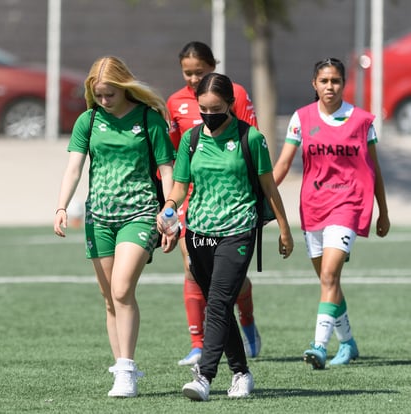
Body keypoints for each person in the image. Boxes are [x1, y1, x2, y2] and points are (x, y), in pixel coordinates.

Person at [158, 72, 294, 400]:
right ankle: (242, 373)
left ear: (231, 105)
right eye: (203, 108)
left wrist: (285, 228)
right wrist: (169, 209)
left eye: (215, 108)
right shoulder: (191, 140)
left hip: (238, 231)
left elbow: (268, 186)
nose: (208, 114)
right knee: (219, 306)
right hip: (198, 233)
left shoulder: (252, 139)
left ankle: (204, 376)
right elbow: (179, 186)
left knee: (218, 302)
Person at [53, 56, 176, 397]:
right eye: (99, 94)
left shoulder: (149, 119)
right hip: (99, 217)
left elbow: (167, 171)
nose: (104, 100)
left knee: (122, 290)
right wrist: (62, 205)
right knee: (110, 299)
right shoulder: (88, 121)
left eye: (109, 94)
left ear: (124, 87)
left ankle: (127, 369)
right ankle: (121, 368)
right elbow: (74, 168)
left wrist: (169, 214)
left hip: (139, 213)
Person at [273, 57, 390, 369]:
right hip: (313, 206)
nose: (330, 86)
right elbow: (284, 164)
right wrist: (263, 191)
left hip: (349, 204)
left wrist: (384, 212)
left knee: (329, 275)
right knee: (329, 283)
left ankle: (319, 346)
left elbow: (374, 168)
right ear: (315, 84)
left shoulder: (362, 120)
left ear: (343, 84)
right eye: (324, 81)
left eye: (335, 81)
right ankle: (348, 343)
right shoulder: (301, 118)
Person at [167, 41, 261, 366]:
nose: (194, 79)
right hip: (192, 196)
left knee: (228, 280)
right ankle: (198, 342)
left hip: (231, 198)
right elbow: (177, 154)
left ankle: (246, 318)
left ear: (213, 67)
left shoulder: (235, 93)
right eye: (188, 73)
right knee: (193, 268)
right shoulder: (175, 103)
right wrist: (168, 202)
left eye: (201, 72)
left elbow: (251, 141)